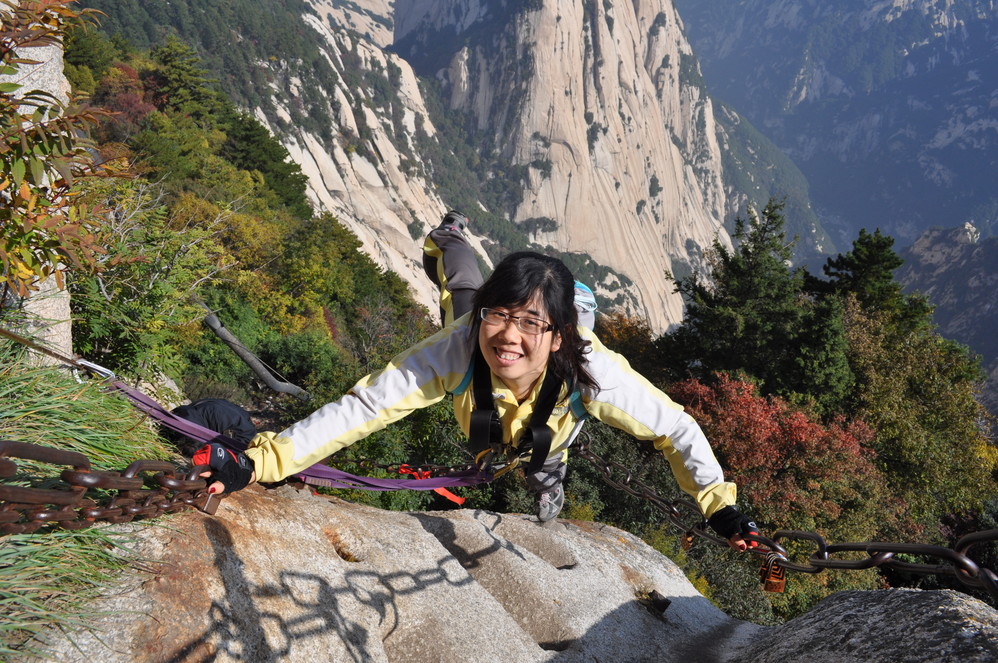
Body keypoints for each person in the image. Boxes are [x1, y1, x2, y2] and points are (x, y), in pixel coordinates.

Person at [199, 212, 759, 550]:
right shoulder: (463, 342)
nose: (510, 336)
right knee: (463, 287)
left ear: (560, 335)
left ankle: (548, 482)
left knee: (544, 461)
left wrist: (719, 507)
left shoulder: (594, 372)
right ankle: (451, 235)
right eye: (503, 315)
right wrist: (260, 462)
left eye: (531, 322)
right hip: (475, 364)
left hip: (548, 434)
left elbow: (676, 429)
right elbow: (365, 406)